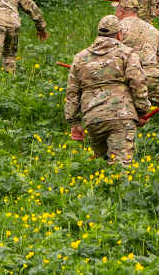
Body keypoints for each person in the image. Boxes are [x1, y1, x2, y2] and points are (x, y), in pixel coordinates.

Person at [64, 15, 151, 166]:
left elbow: (72, 93)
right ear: (119, 34)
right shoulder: (128, 54)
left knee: (101, 167)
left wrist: (75, 123)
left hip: (93, 119)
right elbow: (138, 83)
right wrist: (142, 110)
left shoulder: (80, 57)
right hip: (121, 117)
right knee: (120, 170)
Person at [114, 0, 159, 124]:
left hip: (128, 78)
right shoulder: (152, 29)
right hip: (153, 76)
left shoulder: (116, 29)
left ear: (121, 10)